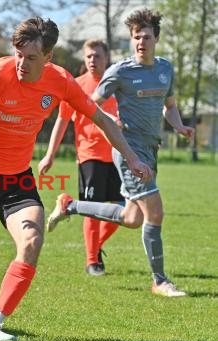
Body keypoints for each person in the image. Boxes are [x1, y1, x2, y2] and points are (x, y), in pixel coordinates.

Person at [0, 17, 152, 341]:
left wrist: (133, 157)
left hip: (17, 180)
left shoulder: (60, 81)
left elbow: (100, 118)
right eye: (19, 54)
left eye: (32, 57)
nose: (22, 63)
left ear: (49, 57)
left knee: (31, 241)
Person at [46, 9, 195, 297]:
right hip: (129, 153)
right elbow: (90, 105)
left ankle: (69, 206)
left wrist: (179, 126)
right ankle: (160, 281)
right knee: (156, 212)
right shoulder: (120, 71)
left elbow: (171, 105)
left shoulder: (165, 69)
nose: (141, 42)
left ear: (157, 39)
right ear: (131, 40)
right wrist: (108, 119)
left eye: (147, 37)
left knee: (132, 218)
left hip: (151, 150)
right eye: (136, 37)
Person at [38, 39, 123, 276]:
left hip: (118, 154)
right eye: (88, 56)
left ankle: (96, 246)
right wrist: (50, 154)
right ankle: (92, 260)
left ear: (107, 58)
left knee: (125, 210)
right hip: (89, 155)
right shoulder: (76, 86)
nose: (92, 60)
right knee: (93, 209)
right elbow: (62, 120)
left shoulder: (117, 84)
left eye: (97, 56)